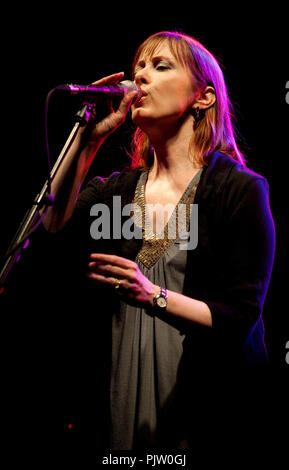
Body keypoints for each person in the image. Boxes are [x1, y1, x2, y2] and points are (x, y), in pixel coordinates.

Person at [44, 31, 275, 451]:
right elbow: (51, 223)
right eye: (138, 69)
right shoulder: (114, 192)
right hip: (117, 405)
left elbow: (240, 316)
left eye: (160, 66)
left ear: (203, 98)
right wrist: (87, 139)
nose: (140, 78)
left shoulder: (238, 190)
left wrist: (153, 295)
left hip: (198, 413)